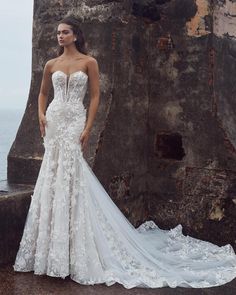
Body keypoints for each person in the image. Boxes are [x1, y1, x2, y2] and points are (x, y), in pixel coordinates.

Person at [13, 15, 236, 289]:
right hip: (56, 118)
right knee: (53, 173)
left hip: (74, 121)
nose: (60, 36)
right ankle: (50, 252)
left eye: (65, 32)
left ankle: (74, 249)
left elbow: (95, 96)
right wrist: (40, 115)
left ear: (76, 35)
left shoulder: (89, 62)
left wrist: (87, 128)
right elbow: (43, 93)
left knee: (72, 173)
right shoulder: (51, 64)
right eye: (58, 32)